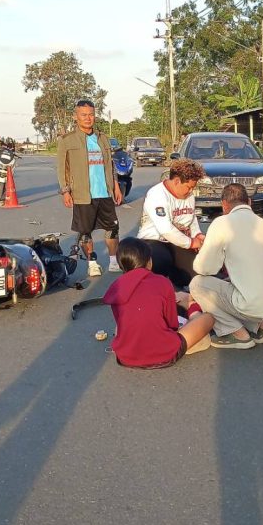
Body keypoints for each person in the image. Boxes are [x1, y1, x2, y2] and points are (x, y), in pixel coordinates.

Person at [190, 183, 263, 349]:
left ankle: (238, 334)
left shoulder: (222, 223)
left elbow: (205, 268)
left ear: (224, 205)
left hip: (253, 305)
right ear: (249, 202)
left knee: (197, 284)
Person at [103, 238, 214, 369]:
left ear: (121, 265)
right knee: (208, 318)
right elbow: (172, 324)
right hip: (164, 353)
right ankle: (193, 310)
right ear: (149, 261)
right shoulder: (161, 281)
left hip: (125, 357)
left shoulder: (116, 287)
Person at [56, 99, 123, 276]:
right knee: (85, 232)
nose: (88, 118)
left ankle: (113, 261)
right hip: (82, 194)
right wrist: (65, 191)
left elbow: (110, 165)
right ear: (75, 116)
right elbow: (62, 169)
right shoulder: (66, 140)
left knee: (113, 229)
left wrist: (116, 187)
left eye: (91, 114)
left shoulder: (103, 138)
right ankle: (92, 263)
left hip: (105, 192)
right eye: (83, 115)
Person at [138, 157, 206, 288]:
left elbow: (191, 218)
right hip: (154, 240)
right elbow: (166, 229)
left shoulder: (189, 195)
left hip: (180, 241)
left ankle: (177, 279)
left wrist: (197, 235)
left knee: (196, 273)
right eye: (189, 187)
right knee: (161, 262)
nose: (191, 191)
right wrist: (191, 243)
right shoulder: (157, 195)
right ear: (176, 181)